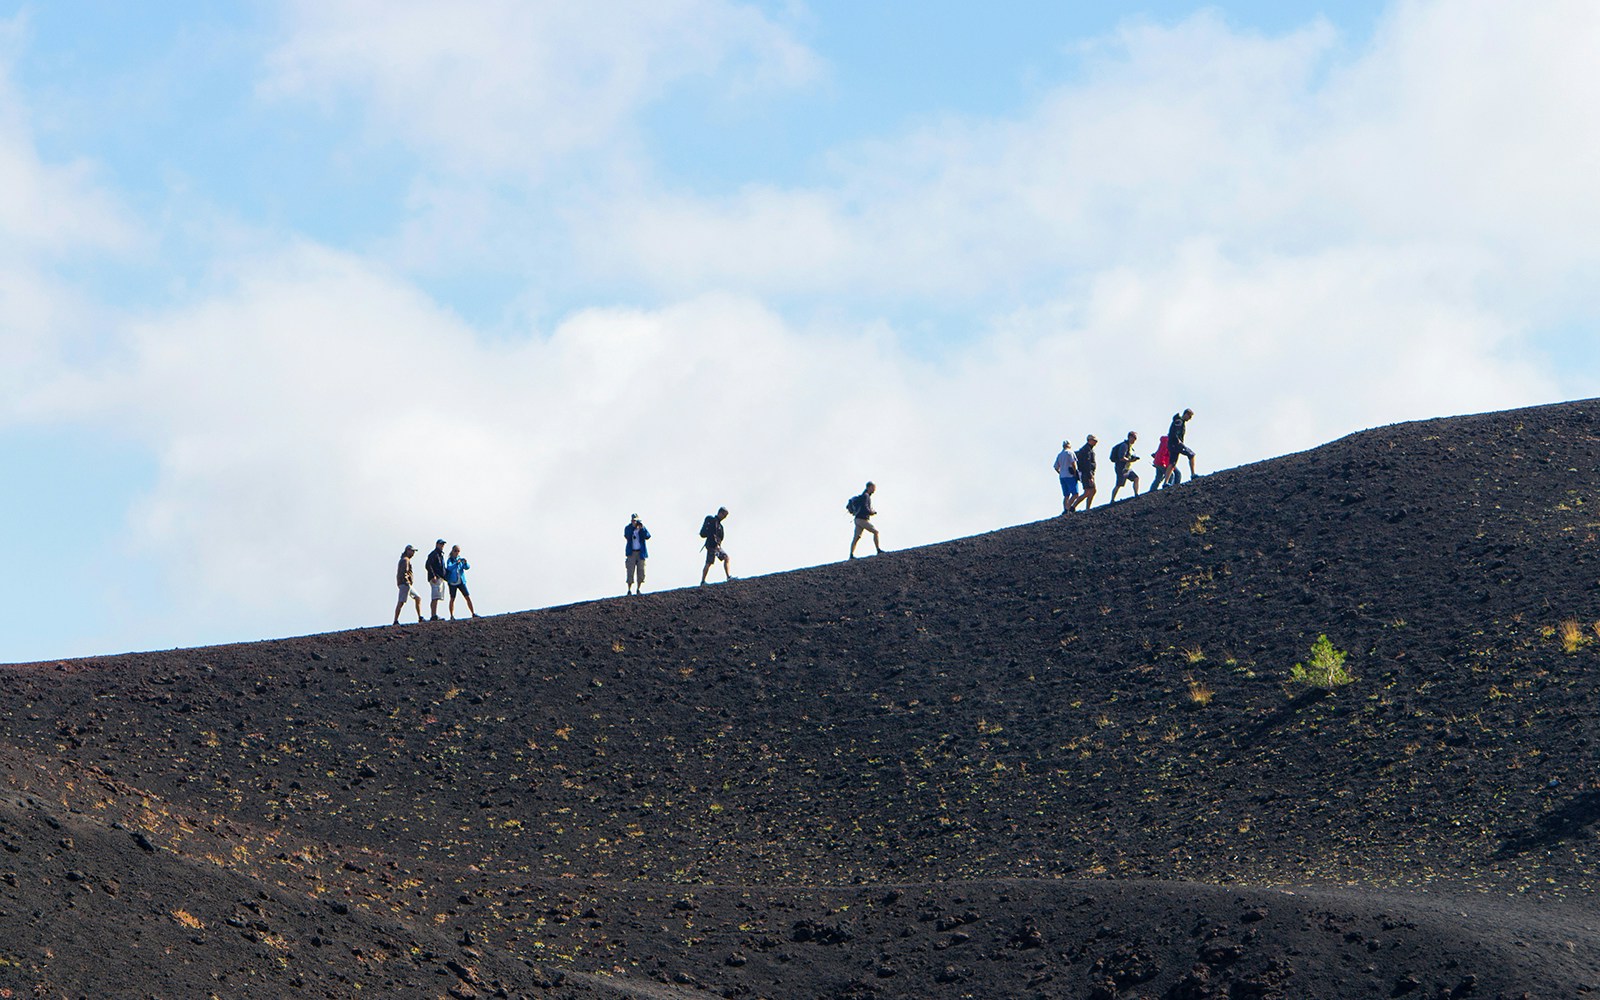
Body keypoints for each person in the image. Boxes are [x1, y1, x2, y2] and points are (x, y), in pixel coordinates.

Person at [847, 481, 883, 558]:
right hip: (862, 519)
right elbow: (865, 508)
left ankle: (851, 555)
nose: (874, 489)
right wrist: (871, 512)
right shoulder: (866, 496)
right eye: (873, 487)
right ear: (869, 487)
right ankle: (878, 550)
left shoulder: (864, 496)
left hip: (857, 519)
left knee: (856, 537)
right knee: (875, 532)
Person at [393, 545, 424, 625]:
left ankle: (420, 617)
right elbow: (404, 572)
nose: (413, 553)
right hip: (405, 584)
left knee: (418, 598)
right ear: (408, 550)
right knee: (401, 601)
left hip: (406, 584)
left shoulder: (405, 559)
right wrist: (406, 581)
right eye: (412, 551)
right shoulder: (405, 560)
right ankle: (395, 620)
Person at [699, 507, 731, 584]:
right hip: (712, 545)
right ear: (720, 513)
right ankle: (703, 581)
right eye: (724, 515)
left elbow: (721, 537)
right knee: (709, 562)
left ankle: (728, 576)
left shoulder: (719, 526)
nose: (725, 517)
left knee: (726, 558)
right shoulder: (713, 521)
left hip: (715, 546)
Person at [445, 544, 477, 619]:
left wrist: (465, 563)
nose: (457, 553)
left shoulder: (460, 559)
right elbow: (449, 568)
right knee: (452, 598)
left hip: (461, 581)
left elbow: (467, 567)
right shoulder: (450, 560)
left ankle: (473, 613)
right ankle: (451, 615)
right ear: (452, 551)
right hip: (452, 582)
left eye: (458, 551)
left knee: (467, 596)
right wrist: (456, 563)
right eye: (455, 551)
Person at [1165, 408, 1196, 482]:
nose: (1189, 419)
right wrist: (1178, 440)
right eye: (1189, 416)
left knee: (1172, 463)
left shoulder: (1178, 421)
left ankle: (1165, 482)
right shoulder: (1179, 421)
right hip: (1176, 444)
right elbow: (1174, 432)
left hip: (1172, 444)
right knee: (1191, 455)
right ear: (1186, 414)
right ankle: (1193, 474)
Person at [1109, 431, 1141, 502]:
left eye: (1135, 439)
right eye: (1134, 438)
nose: (1134, 440)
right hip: (1121, 468)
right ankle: (1112, 499)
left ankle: (1136, 494)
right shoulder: (1124, 446)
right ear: (1130, 437)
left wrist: (1132, 458)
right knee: (1119, 484)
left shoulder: (1130, 447)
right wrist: (1131, 460)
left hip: (1127, 468)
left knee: (1136, 478)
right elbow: (1121, 457)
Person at [624, 513, 651, 595]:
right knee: (630, 571)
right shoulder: (628, 528)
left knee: (641, 571)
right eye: (633, 520)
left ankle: (638, 589)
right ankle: (629, 589)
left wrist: (641, 529)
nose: (634, 522)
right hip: (631, 552)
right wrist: (633, 529)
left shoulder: (642, 528)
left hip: (640, 553)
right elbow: (627, 536)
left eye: (635, 520)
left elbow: (648, 536)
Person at [1072, 436, 1099, 511]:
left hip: (1088, 473)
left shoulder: (1088, 449)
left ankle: (1087, 508)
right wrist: (1090, 476)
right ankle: (1073, 507)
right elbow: (1087, 464)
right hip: (1086, 474)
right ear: (1089, 440)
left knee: (1092, 490)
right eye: (1094, 440)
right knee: (1088, 491)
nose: (1096, 442)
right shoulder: (1086, 450)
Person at [424, 539, 449, 621]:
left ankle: (434, 614)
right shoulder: (434, 554)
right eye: (441, 544)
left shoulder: (440, 555)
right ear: (437, 544)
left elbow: (441, 567)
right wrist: (433, 576)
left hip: (439, 577)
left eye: (443, 545)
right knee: (435, 597)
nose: (442, 546)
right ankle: (433, 615)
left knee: (437, 596)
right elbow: (428, 565)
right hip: (435, 578)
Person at [1053, 440, 1079, 515]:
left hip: (1062, 476)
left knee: (1066, 495)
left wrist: (1060, 473)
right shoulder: (1070, 453)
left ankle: (1065, 509)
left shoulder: (1059, 455)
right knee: (1075, 494)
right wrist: (1074, 472)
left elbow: (1055, 467)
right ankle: (1068, 508)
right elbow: (1073, 463)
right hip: (1070, 476)